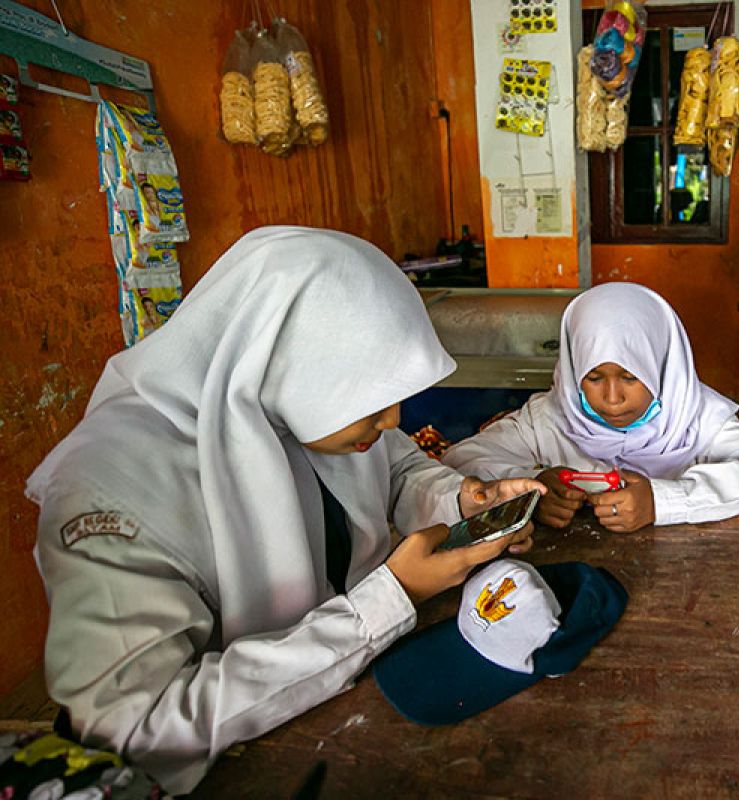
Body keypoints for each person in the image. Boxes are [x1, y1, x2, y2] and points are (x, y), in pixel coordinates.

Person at [25, 227, 544, 794]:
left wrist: (463, 499)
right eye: (376, 398)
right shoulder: (108, 493)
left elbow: (397, 469)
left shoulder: (306, 400)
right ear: (294, 361)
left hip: (345, 695)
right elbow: (140, 724)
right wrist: (390, 599)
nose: (393, 420)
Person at [441, 283, 739, 532]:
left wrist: (662, 502)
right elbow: (460, 459)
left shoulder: (697, 417)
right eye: (593, 378)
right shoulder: (551, 416)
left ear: (660, 367)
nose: (612, 399)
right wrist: (532, 490)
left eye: (630, 377)